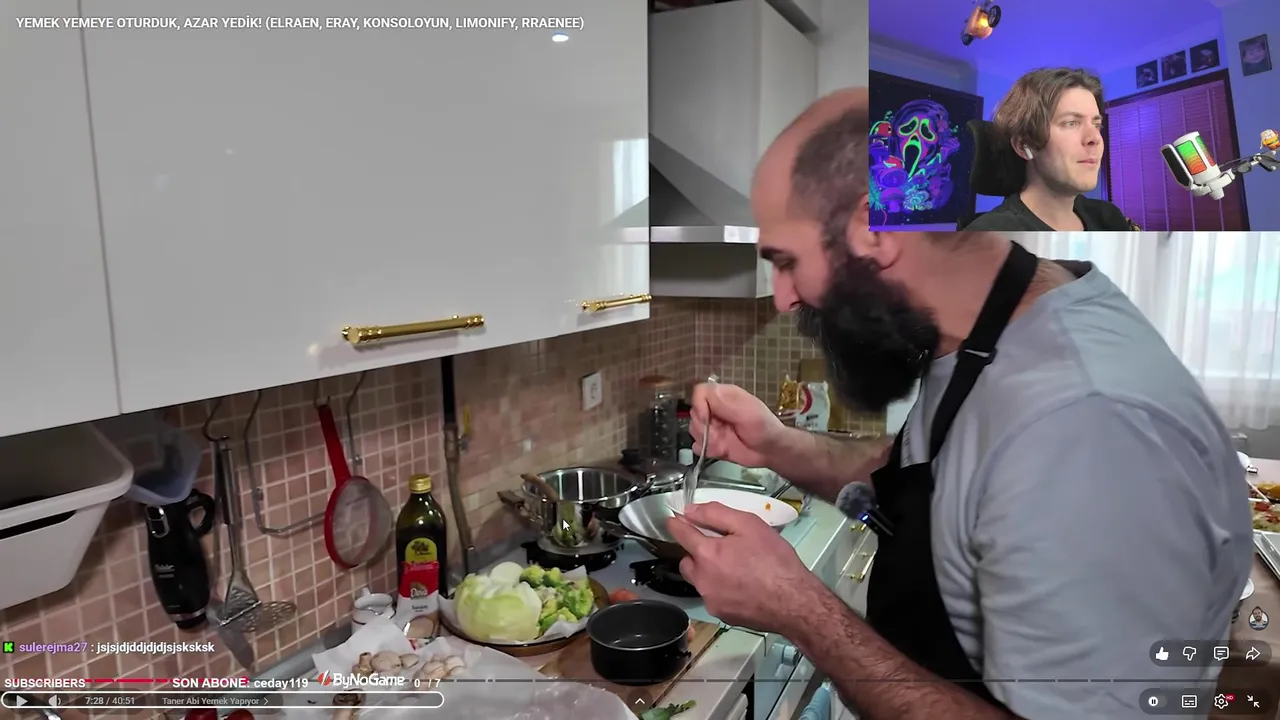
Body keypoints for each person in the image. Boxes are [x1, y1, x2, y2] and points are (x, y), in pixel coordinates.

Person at [665, 87, 1254, 719]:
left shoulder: (1086, 424)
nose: (783, 298)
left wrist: (798, 608)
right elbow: (945, 478)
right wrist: (778, 444)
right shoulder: (989, 328)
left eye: (787, 260)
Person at [963, 68, 1140, 232]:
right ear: (1025, 146)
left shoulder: (1109, 218)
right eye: (1071, 123)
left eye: (1096, 124)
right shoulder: (986, 237)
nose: (1095, 138)